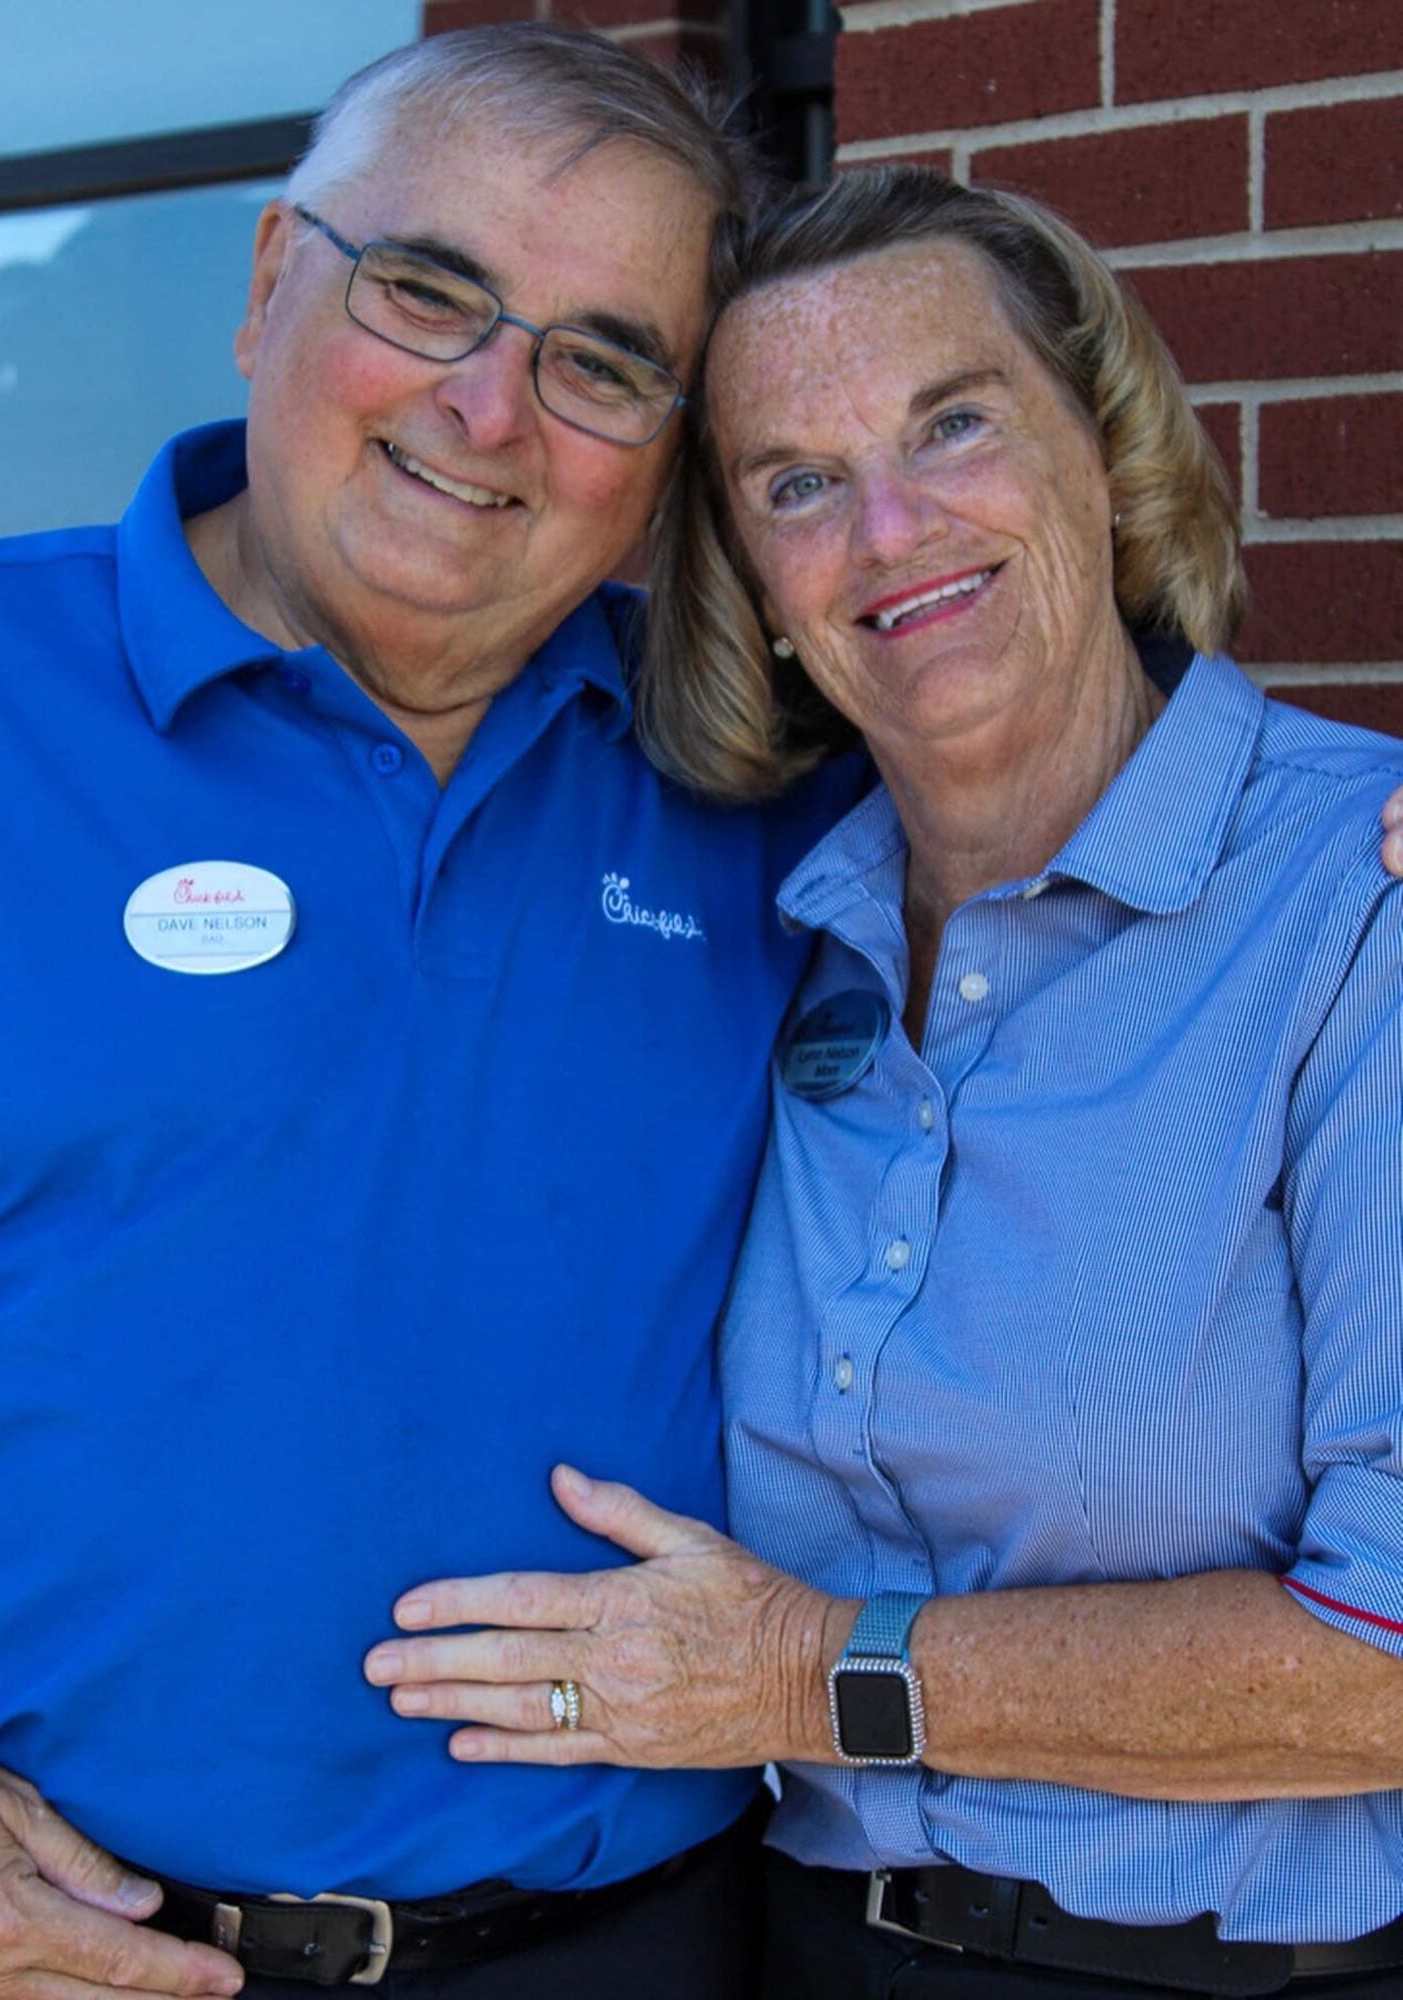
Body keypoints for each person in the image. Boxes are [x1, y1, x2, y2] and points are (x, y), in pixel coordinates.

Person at [0, 28, 862, 2000]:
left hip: (620, 1949)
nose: (488, 409)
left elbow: (1099, 772)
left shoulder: (765, 774)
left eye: (602, 361)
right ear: (270, 280)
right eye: (428, 291)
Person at [363, 167, 1403, 1998]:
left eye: (954, 425)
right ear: (752, 586)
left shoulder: (1355, 906)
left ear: (1105, 447)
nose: (895, 527)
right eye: (796, 485)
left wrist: (801, 1674)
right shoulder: (764, 918)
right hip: (795, 1947)